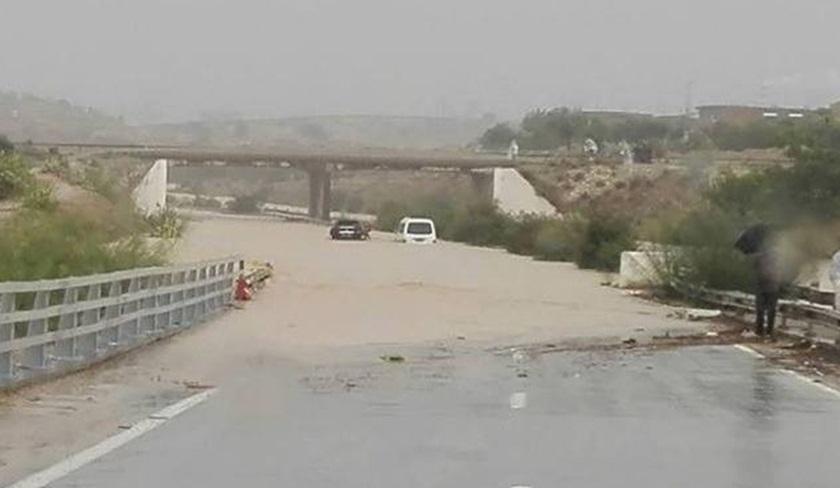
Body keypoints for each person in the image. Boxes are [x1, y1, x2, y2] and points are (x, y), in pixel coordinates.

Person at [754, 244, 782, 337]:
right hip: (773, 288)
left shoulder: (760, 258)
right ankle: (769, 330)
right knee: (771, 310)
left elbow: (756, 270)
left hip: (763, 287)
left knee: (761, 310)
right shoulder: (777, 260)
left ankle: (760, 330)